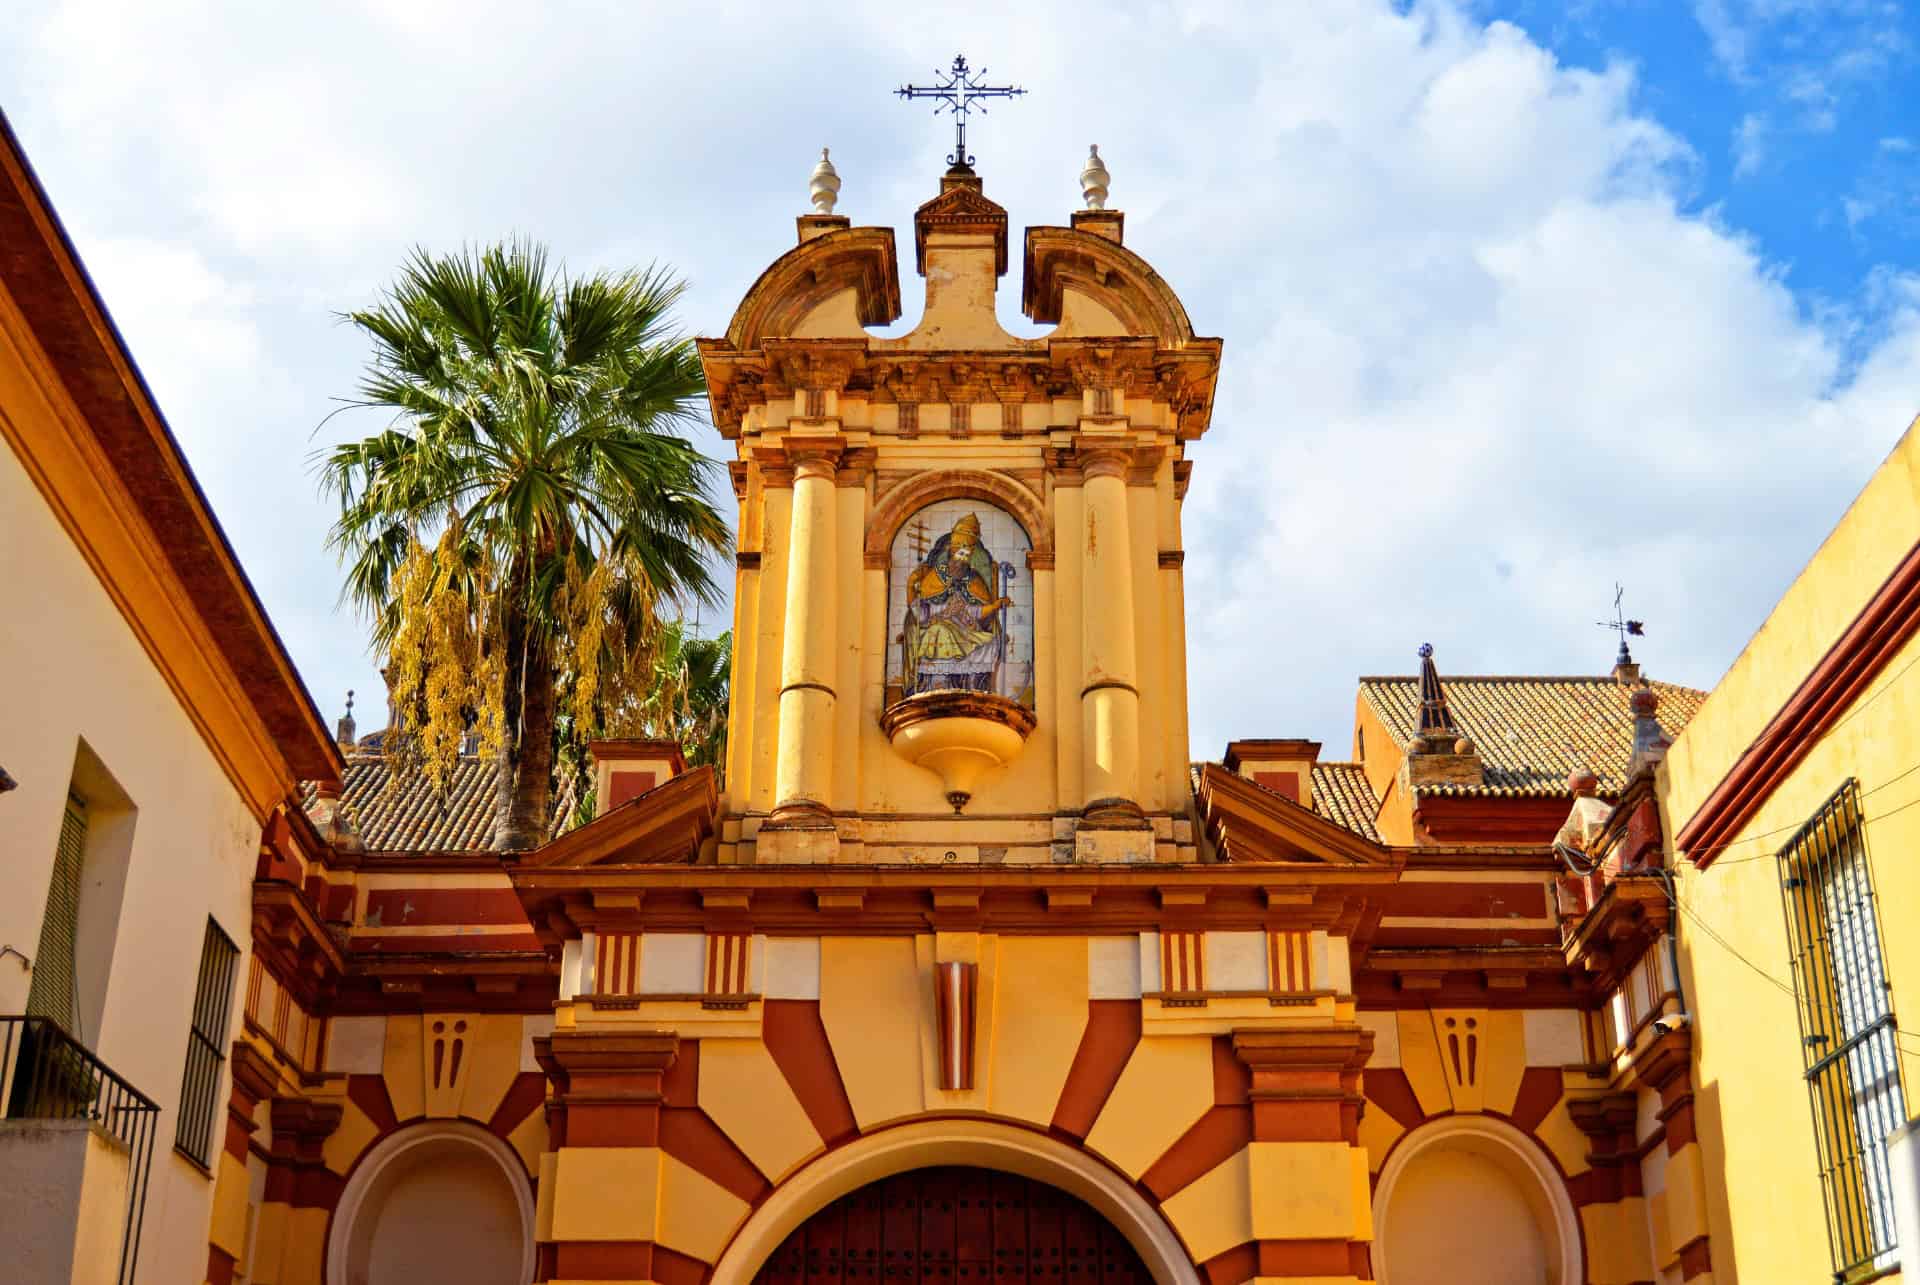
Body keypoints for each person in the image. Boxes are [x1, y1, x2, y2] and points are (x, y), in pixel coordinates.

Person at [902, 512, 1014, 697]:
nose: (961, 560)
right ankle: (937, 685)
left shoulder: (974, 579)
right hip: (937, 625)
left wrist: (995, 606)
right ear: (950, 554)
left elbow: (977, 612)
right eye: (957, 554)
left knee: (988, 641)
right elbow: (920, 611)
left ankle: (974, 687)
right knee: (938, 632)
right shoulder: (935, 576)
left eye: (965, 556)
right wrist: (911, 587)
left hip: (966, 628)